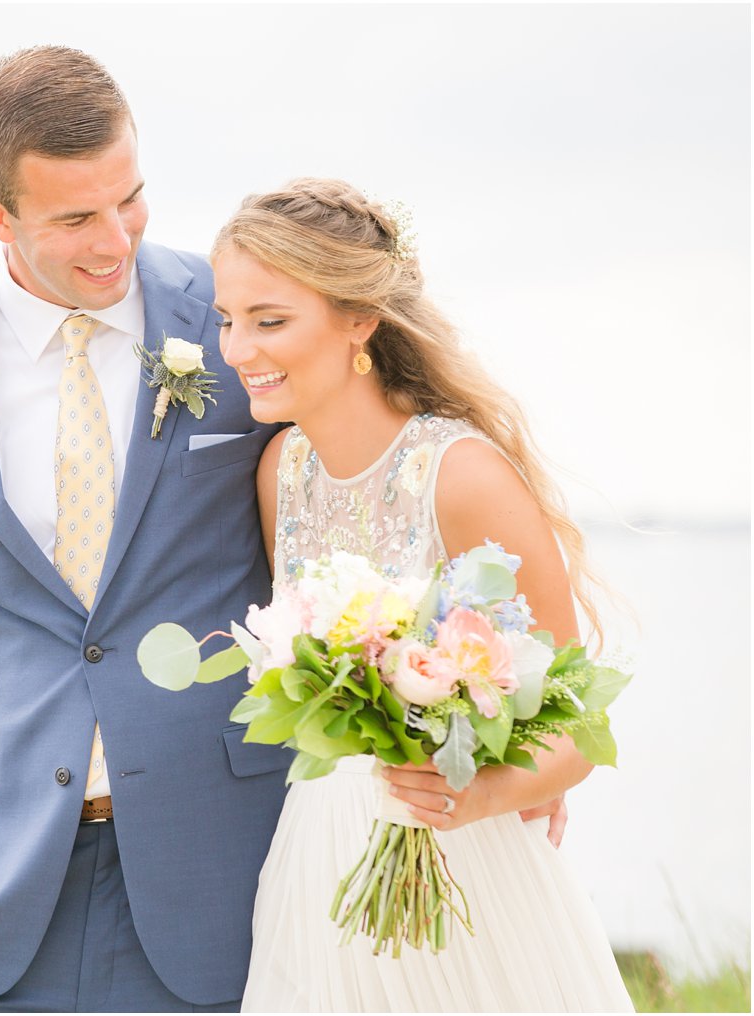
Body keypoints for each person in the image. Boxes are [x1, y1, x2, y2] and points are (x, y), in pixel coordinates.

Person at [0, 46, 290, 1011]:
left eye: (129, 198)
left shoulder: (242, 321)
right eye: (75, 218)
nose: (115, 241)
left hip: (221, 875)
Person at [211, 178, 634, 1011]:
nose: (237, 350)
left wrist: (483, 793)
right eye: (227, 320)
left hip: (463, 870)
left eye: (269, 321)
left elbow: (581, 727)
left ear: (359, 319)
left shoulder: (461, 474)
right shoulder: (278, 473)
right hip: (316, 869)